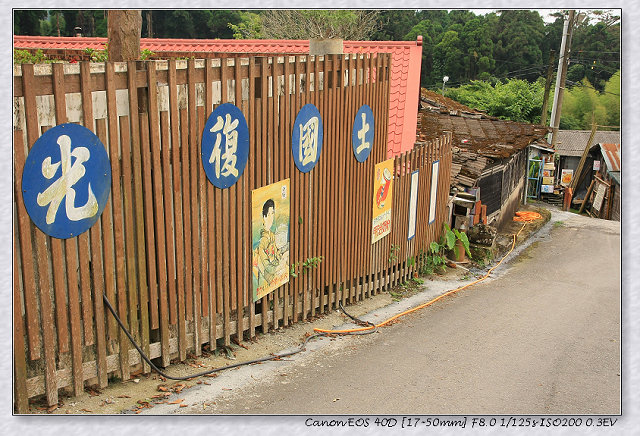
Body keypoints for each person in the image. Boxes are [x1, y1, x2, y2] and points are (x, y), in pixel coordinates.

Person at [253, 199, 282, 287]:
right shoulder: (263, 241)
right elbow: (266, 266)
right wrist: (278, 268)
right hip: (267, 278)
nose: (271, 218)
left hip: (276, 272)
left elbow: (277, 253)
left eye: (272, 213)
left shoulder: (272, 235)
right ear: (264, 217)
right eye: (268, 214)